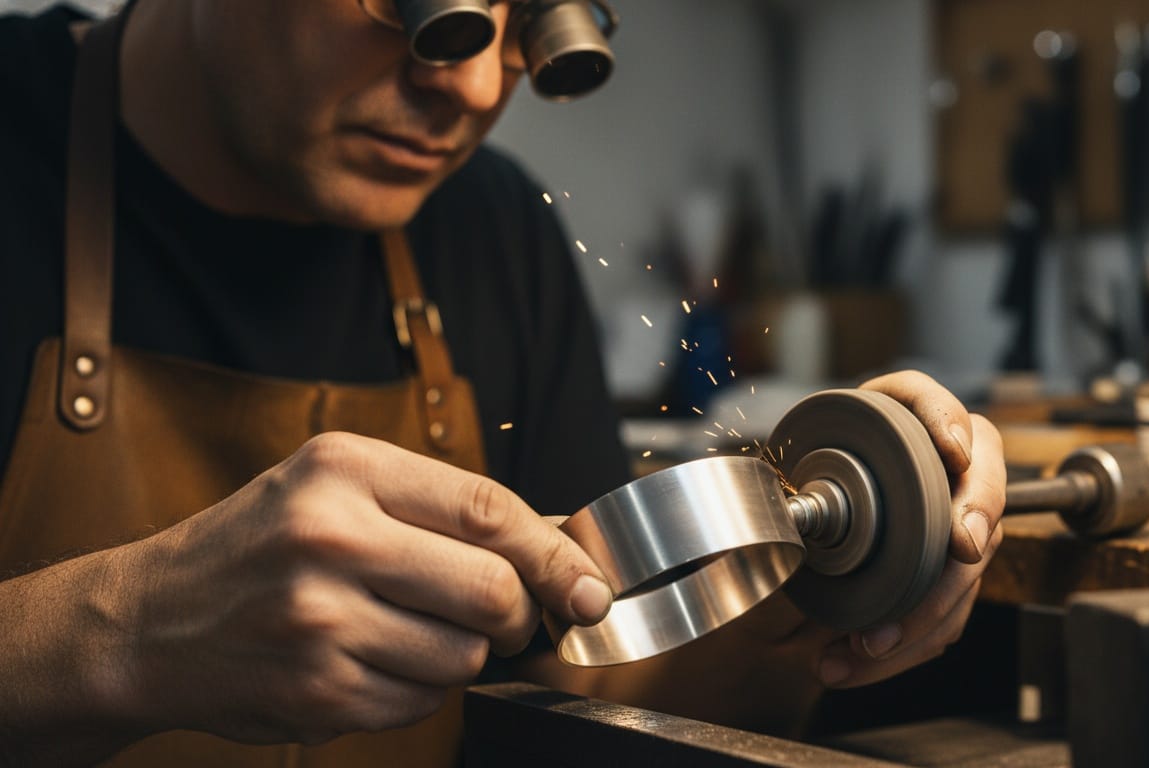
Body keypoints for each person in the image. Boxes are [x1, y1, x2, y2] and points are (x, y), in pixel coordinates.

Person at [0, 1, 1007, 766]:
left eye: (530, 21)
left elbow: (576, 672)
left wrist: (831, 579)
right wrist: (128, 632)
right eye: (418, 6)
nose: (478, 86)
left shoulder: (495, 231)